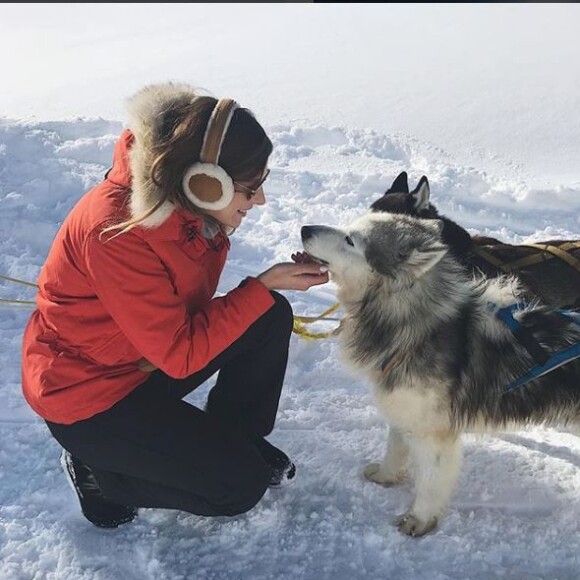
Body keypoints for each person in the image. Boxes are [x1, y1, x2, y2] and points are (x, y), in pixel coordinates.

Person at [21, 81, 329, 529]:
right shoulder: (116, 233)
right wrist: (261, 284)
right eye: (250, 189)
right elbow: (181, 354)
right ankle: (101, 475)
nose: (259, 200)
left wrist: (267, 287)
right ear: (207, 185)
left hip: (141, 360)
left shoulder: (182, 204)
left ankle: (231, 438)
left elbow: (183, 322)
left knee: (267, 313)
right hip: (90, 397)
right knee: (239, 486)